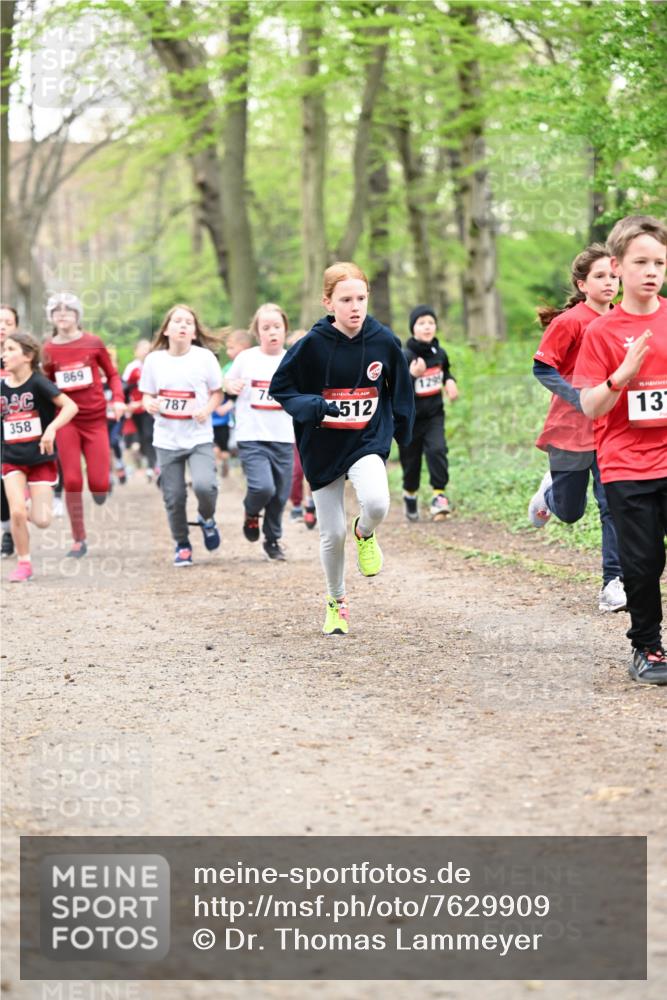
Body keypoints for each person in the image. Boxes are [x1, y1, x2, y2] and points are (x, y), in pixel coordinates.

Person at [270, 261, 415, 635]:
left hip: (366, 440)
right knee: (332, 535)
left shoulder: (383, 341)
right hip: (322, 446)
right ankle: (336, 602)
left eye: (361, 299)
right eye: (346, 300)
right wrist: (314, 406)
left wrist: (404, 431)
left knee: (377, 503)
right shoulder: (311, 345)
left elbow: (401, 389)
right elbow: (281, 388)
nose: (355, 307)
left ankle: (364, 531)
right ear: (328, 303)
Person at [574, 215, 667, 685]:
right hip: (626, 465)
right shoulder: (602, 332)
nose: (651, 272)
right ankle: (647, 647)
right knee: (643, 562)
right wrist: (622, 376)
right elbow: (590, 405)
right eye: (641, 262)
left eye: (659, 263)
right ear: (617, 265)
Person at [527, 245, 625, 613]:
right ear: (583, 284)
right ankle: (549, 493)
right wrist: (580, 397)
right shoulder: (570, 322)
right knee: (570, 512)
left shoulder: (623, 320)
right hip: (570, 428)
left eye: (613, 275)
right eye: (600, 276)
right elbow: (542, 368)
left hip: (611, 428)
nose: (609, 282)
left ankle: (613, 582)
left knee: (612, 504)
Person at [42, 292, 125, 557]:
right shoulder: (48, 349)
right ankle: (79, 539)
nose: (62, 314)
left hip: (95, 419)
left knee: (98, 484)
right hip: (66, 421)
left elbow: (112, 374)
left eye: (68, 310)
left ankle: (102, 486)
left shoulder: (93, 342)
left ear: (77, 315)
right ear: (51, 317)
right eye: (57, 310)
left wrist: (118, 400)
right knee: (72, 479)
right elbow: (46, 385)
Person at [140, 304, 223, 566]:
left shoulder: (204, 358)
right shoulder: (154, 360)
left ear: (195, 332)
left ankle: (206, 518)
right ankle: (182, 544)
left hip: (199, 437)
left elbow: (217, 392)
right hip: (167, 439)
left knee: (205, 486)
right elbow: (146, 394)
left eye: (188, 322)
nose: (183, 325)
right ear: (166, 329)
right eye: (177, 321)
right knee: (174, 497)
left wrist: (206, 410)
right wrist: (149, 404)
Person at [1, 332, 78, 581]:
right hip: (11, 458)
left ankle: (29, 506)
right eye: (3, 350)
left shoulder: (38, 383)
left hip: (40, 459)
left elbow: (70, 406)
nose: (4, 355)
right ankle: (24, 563)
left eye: (10, 349)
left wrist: (51, 429)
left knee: (42, 520)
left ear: (28, 356)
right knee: (16, 513)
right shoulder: (1, 387)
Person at [224, 304, 295, 561]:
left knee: (280, 494)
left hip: (283, 436)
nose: (272, 332)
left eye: (277, 326)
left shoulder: (293, 359)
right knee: (263, 487)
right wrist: (231, 385)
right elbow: (227, 381)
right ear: (257, 332)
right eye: (266, 327)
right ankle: (251, 511)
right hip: (251, 435)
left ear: (285, 329)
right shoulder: (246, 358)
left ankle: (272, 540)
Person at [399, 305, 458, 522]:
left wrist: (450, 381)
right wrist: (412, 375)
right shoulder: (405, 356)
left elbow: (446, 371)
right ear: (413, 328)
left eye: (431, 323)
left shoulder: (439, 353)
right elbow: (396, 389)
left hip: (434, 415)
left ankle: (438, 496)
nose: (427, 327)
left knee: (437, 450)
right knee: (411, 463)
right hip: (410, 420)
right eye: (421, 323)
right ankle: (410, 494)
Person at [215, 328, 252, 477]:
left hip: (248, 416)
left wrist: (229, 405)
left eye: (231, 348)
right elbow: (222, 386)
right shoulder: (227, 368)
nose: (228, 352)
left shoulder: (251, 365)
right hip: (231, 418)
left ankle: (247, 471)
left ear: (244, 348)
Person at [122, 339, 158, 480]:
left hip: (151, 408)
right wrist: (127, 405)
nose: (145, 352)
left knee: (149, 435)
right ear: (136, 352)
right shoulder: (132, 368)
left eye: (148, 349)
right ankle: (148, 461)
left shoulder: (156, 366)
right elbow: (124, 388)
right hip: (135, 410)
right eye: (143, 349)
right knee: (139, 439)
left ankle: (151, 466)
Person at [0, 304, 19, 557]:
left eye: (8, 322)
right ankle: (7, 527)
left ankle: (9, 529)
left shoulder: (25, 356)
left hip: (17, 426)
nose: (2, 327)